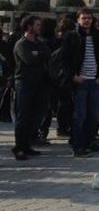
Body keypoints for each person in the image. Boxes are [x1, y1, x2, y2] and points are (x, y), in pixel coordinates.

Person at [12, 15, 50, 160]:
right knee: (23, 117)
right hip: (24, 84)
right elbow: (30, 60)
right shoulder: (21, 44)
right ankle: (19, 147)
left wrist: (38, 54)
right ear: (29, 27)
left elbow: (48, 55)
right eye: (37, 25)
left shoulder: (39, 43)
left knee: (36, 116)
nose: (40, 27)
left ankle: (27, 145)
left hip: (40, 84)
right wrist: (39, 56)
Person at [72, 8, 99, 158]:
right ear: (78, 20)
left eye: (89, 18)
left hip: (94, 80)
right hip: (81, 80)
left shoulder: (97, 35)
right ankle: (78, 146)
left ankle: (89, 141)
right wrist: (74, 76)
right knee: (80, 115)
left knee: (94, 115)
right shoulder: (74, 36)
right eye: (84, 18)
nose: (87, 21)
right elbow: (67, 58)